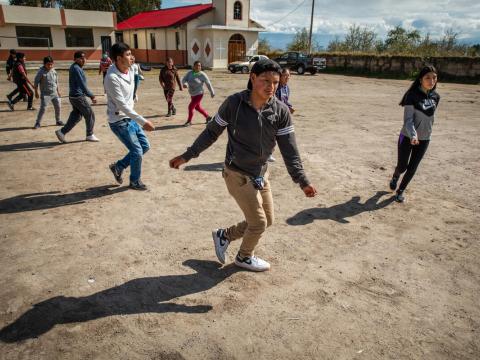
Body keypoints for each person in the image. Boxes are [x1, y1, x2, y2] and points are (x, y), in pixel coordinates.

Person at [169, 59, 317, 272]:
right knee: (258, 223)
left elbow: (290, 151)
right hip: (236, 174)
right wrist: (188, 155)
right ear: (252, 78)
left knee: (268, 220)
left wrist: (302, 180)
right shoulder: (234, 104)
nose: (271, 87)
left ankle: (224, 235)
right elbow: (212, 132)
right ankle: (244, 257)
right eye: (265, 81)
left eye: (276, 82)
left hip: (261, 174)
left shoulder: (281, 111)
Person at [105, 42, 155, 190]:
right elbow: (122, 106)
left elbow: (135, 81)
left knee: (144, 146)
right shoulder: (112, 77)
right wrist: (143, 121)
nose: (131, 57)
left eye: (131, 53)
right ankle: (135, 181)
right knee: (137, 151)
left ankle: (118, 166)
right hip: (119, 121)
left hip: (129, 117)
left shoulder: (132, 68)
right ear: (118, 58)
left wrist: (134, 95)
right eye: (127, 55)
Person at [389, 65, 440, 203]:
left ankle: (400, 191)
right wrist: (413, 135)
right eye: (427, 78)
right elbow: (408, 120)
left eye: (434, 77)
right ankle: (395, 175)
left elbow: (429, 118)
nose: (431, 81)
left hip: (425, 139)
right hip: (406, 136)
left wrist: (425, 134)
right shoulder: (411, 96)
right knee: (402, 166)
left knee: (412, 168)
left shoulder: (436, 97)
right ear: (420, 79)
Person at [55, 51, 99, 143]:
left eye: (84, 58)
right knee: (89, 114)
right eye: (80, 58)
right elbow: (82, 84)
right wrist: (91, 96)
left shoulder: (76, 67)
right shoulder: (76, 68)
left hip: (74, 96)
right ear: (75, 59)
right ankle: (90, 134)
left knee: (77, 116)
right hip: (78, 97)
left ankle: (62, 132)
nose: (83, 60)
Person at [33, 56, 63, 129]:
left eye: (51, 64)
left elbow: (56, 82)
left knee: (58, 107)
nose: (50, 66)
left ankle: (58, 120)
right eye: (48, 64)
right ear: (44, 64)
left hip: (54, 93)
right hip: (46, 94)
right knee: (43, 109)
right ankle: (38, 123)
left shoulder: (54, 71)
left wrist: (58, 91)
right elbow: (36, 83)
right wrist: (36, 92)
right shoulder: (41, 72)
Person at [181, 61, 214, 126]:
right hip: (192, 94)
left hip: (199, 93)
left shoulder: (202, 74)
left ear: (201, 67)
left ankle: (189, 121)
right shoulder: (190, 73)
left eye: (199, 66)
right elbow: (184, 79)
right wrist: (185, 84)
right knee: (197, 107)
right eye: (196, 65)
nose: (198, 67)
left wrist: (212, 92)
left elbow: (208, 83)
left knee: (190, 107)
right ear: (193, 66)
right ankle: (208, 117)